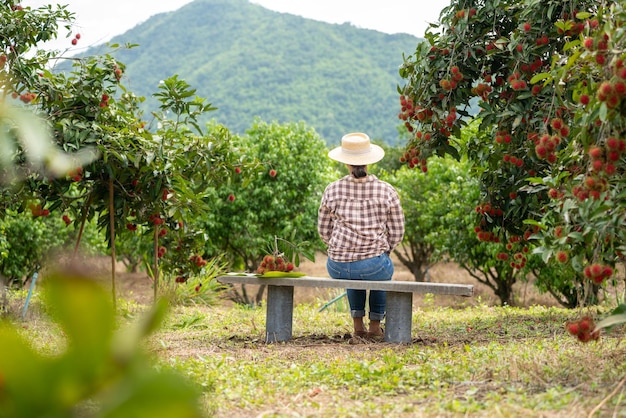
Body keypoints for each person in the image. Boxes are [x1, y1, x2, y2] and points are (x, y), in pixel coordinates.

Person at [318, 132, 405, 341]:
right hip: (373, 265)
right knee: (383, 272)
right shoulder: (386, 191)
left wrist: (340, 248)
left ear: (346, 163)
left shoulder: (332, 189)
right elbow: (398, 231)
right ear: (369, 162)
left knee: (353, 271)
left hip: (337, 265)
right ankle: (375, 326)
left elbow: (323, 229)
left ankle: (358, 326)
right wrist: (383, 250)